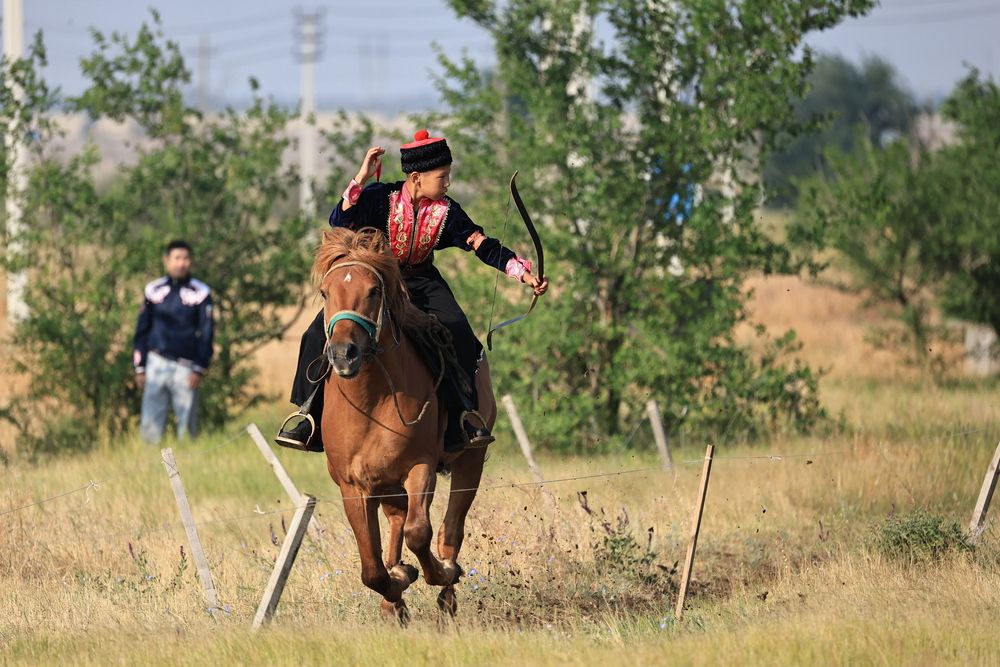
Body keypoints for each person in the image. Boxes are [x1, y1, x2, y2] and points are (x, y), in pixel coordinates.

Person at [276, 130, 548, 453]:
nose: (447, 183)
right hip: (376, 282)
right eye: (442, 176)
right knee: (314, 334)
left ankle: (463, 417)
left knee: (459, 332)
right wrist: (360, 178)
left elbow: (480, 243)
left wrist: (521, 272)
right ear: (416, 178)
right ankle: (308, 416)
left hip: (422, 281)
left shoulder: (446, 211)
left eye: (448, 175)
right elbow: (340, 220)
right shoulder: (380, 197)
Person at [133, 240, 214, 443]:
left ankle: (187, 468)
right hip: (156, 363)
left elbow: (207, 332)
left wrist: (199, 367)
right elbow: (141, 331)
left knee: (187, 428)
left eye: (186, 258)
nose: (181, 263)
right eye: (177, 258)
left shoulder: (201, 292)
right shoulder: (153, 290)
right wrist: (140, 367)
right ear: (167, 261)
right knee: (150, 425)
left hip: (186, 367)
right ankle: (149, 468)